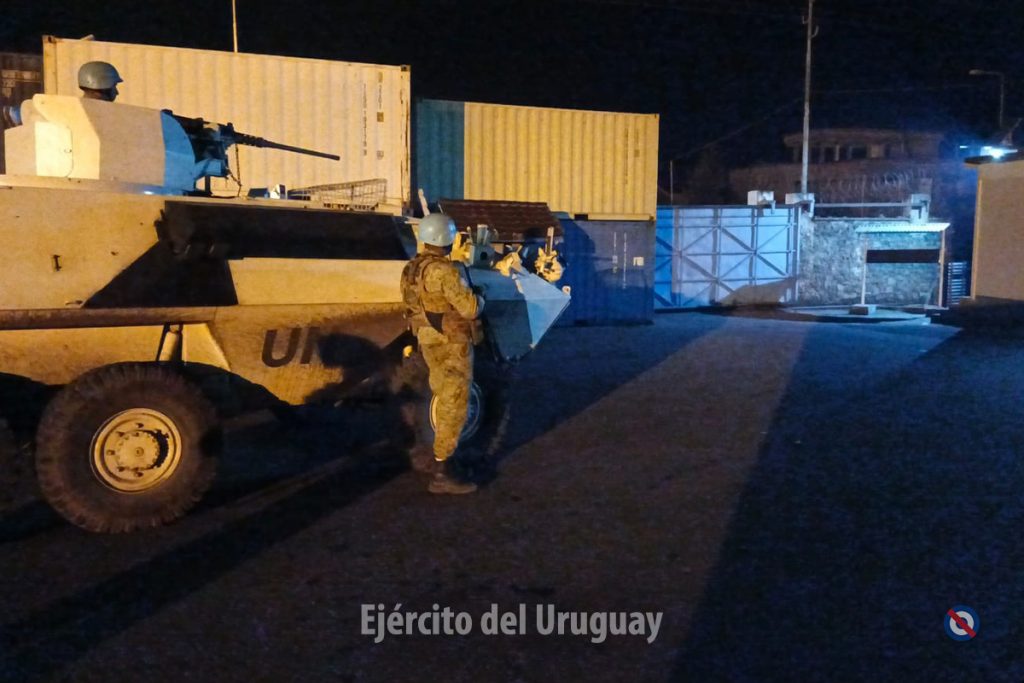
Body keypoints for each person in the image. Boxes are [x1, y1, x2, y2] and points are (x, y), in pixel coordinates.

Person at [400, 213, 485, 495]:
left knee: (441, 393)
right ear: (446, 238)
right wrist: (481, 298)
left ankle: (440, 458)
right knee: (454, 403)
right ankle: (443, 471)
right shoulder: (444, 271)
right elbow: (470, 308)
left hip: (428, 340)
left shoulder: (412, 269)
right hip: (451, 343)